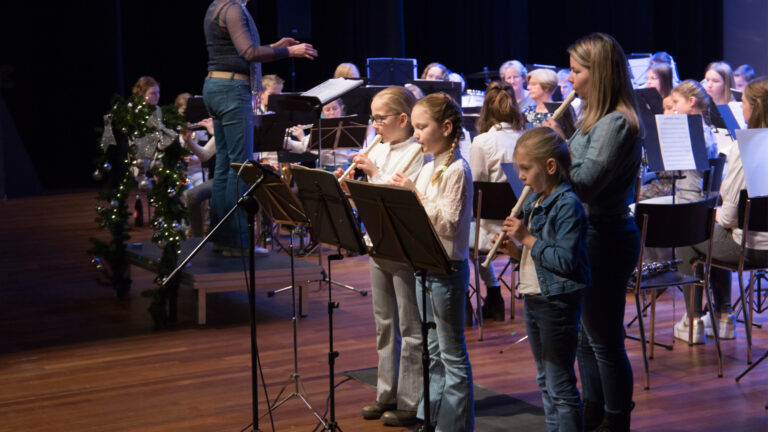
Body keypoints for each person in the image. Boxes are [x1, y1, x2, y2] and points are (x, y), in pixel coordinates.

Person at [544, 33, 641, 432]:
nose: (569, 79)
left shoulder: (617, 122)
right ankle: (594, 409)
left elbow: (583, 184)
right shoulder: (594, 118)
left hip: (606, 235)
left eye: (576, 71)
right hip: (588, 233)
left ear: (598, 73)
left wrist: (554, 154)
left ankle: (617, 420)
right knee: (586, 339)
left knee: (605, 342)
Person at [202, 0, 316, 256]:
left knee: (224, 166)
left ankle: (223, 239)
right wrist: (289, 52)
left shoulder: (216, 5)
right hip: (231, 90)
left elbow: (238, 50)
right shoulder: (232, 8)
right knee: (241, 166)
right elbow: (249, 53)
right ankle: (237, 242)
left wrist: (274, 47)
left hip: (216, 86)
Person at [496, 127, 589, 432]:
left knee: (560, 382)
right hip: (536, 295)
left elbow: (564, 261)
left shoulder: (567, 205)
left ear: (550, 167)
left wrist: (527, 238)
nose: (520, 176)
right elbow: (535, 256)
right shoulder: (535, 201)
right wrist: (515, 249)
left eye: (525, 168)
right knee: (544, 379)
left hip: (557, 300)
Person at [390, 93, 474, 431]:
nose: (416, 135)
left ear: (447, 127)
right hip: (426, 266)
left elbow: (448, 222)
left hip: (448, 268)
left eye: (422, 127)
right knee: (434, 352)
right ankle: (431, 417)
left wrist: (414, 196)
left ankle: (454, 426)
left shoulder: (457, 169)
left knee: (452, 354)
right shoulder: (428, 167)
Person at [343, 87, 425, 427]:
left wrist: (372, 173)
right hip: (377, 242)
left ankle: (409, 399)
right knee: (383, 324)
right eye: (373, 118)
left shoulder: (418, 152)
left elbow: (399, 200)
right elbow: (373, 200)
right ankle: (385, 392)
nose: (375, 125)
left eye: (380, 118)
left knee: (410, 326)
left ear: (403, 119)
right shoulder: (381, 147)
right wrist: (351, 189)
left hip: (403, 247)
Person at [676, 76, 768, 342]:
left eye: (744, 103)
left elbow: (729, 216)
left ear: (756, 107)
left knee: (689, 232)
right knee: (712, 234)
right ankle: (723, 317)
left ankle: (693, 322)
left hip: (749, 249)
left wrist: (714, 217)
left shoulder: (748, 145)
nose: (741, 108)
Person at [468, 82, 525, 321]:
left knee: (456, 237)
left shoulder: (482, 141)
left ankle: (491, 293)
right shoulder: (528, 137)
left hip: (492, 229)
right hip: (523, 226)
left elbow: (477, 188)